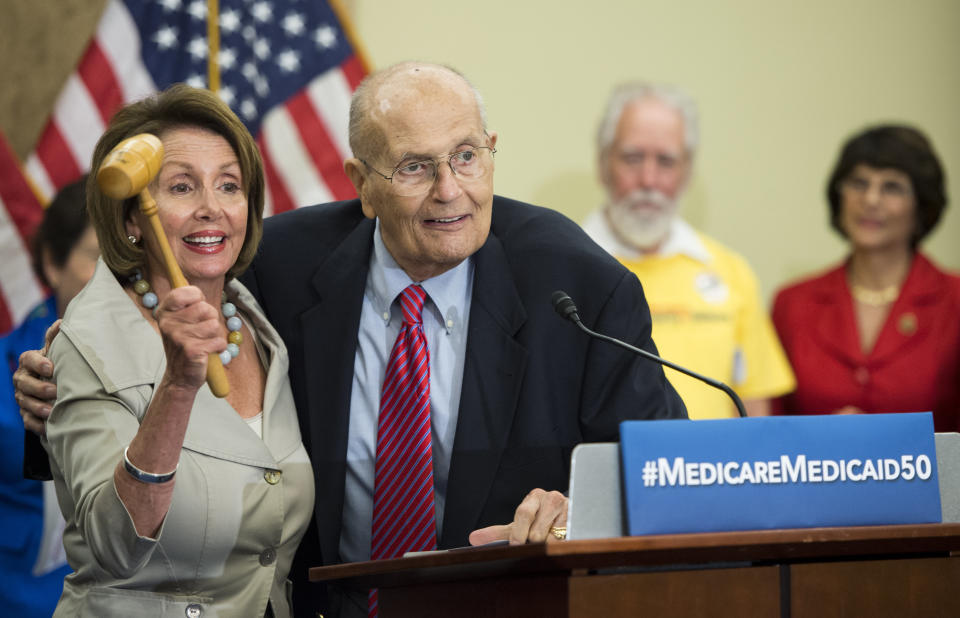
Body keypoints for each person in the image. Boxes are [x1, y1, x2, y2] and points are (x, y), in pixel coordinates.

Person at [18, 63, 686, 618]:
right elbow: (136, 293)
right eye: (415, 167)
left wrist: (583, 511)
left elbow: (666, 477)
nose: (450, 191)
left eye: (466, 156)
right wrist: (59, 380)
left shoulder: (578, 289)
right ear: (361, 185)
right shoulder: (276, 263)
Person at [37, 85, 314, 617]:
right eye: (182, 187)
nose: (211, 208)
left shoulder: (264, 322)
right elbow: (114, 545)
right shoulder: (88, 341)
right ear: (131, 219)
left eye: (229, 185)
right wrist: (178, 385)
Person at [582, 82, 794, 419]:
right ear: (602, 163)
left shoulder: (730, 271)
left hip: (714, 469)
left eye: (666, 161)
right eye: (633, 158)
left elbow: (755, 406)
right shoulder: (567, 268)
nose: (649, 180)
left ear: (688, 171)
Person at [772, 125, 960, 431]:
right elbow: (773, 431)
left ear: (922, 205)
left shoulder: (954, 299)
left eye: (892, 187)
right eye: (859, 183)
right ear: (838, 195)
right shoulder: (793, 303)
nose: (871, 199)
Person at [0, 177, 95, 617]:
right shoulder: (10, 367)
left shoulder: (176, 360)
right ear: (54, 263)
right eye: (98, 256)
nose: (118, 274)